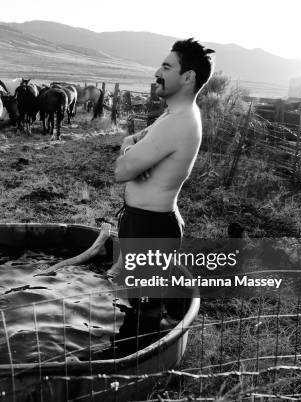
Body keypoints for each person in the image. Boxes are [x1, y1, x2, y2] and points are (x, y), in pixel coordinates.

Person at [108, 38, 215, 321]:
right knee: (139, 303)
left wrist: (131, 157)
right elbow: (130, 142)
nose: (157, 72)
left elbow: (120, 172)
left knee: (146, 312)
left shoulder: (177, 122)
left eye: (167, 67)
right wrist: (132, 151)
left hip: (150, 228)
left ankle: (149, 361)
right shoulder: (175, 115)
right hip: (146, 222)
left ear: (188, 77)